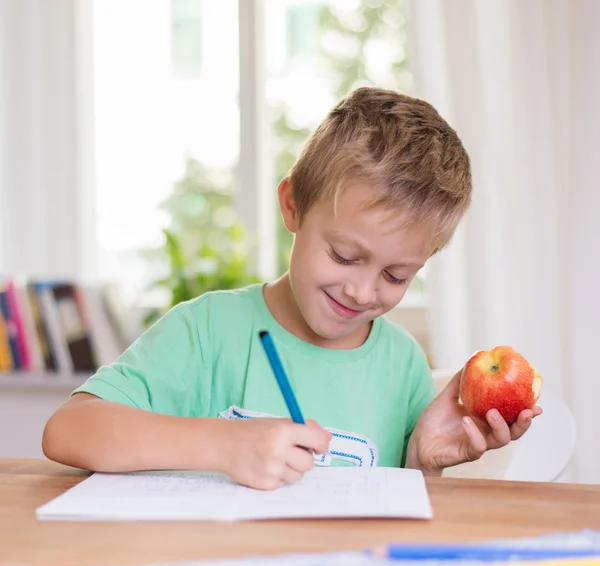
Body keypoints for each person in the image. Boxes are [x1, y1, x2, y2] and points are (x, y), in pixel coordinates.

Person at [42, 87, 541, 489]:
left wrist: (421, 464)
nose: (363, 292)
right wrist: (224, 445)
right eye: (344, 256)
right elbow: (67, 431)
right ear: (292, 206)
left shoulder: (402, 366)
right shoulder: (206, 331)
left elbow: (394, 524)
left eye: (396, 276)